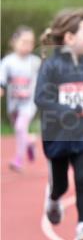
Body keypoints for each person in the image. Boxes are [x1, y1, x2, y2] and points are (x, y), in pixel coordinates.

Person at [34, 8, 83, 240]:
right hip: (56, 136)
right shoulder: (50, 66)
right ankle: (53, 200)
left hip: (82, 134)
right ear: (70, 38)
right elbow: (41, 99)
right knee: (61, 185)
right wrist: (67, 111)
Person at [1, 26, 41, 172]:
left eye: (30, 43)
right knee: (19, 129)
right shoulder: (8, 61)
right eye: (24, 42)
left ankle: (18, 159)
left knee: (20, 127)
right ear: (14, 42)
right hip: (14, 104)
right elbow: (2, 77)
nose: (27, 46)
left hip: (29, 104)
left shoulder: (35, 62)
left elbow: (43, 79)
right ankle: (30, 141)